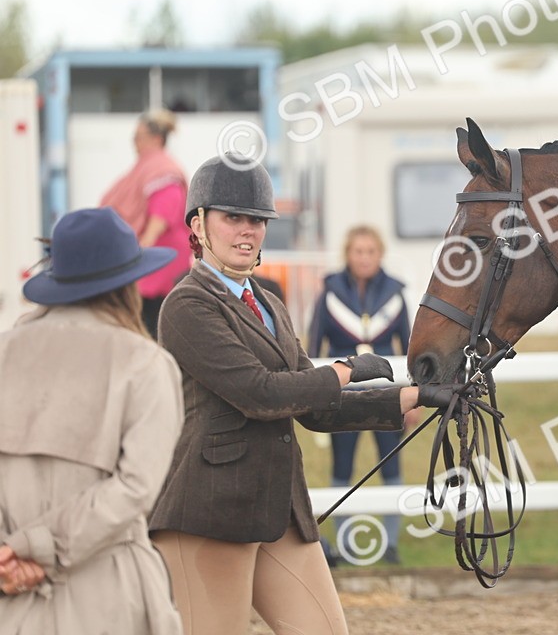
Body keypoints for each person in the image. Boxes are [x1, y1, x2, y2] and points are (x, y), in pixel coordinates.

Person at [147, 154, 427, 635]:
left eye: (256, 220)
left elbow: (312, 409)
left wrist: (413, 397)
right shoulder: (186, 305)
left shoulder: (270, 303)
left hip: (281, 509)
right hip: (211, 512)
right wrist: (344, 369)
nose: (248, 230)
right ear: (198, 223)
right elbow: (259, 394)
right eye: (232, 217)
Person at [0, 207, 185, 635]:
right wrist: (37, 549)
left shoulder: (4, 354)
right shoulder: (145, 363)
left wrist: (11, 554)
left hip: (11, 593)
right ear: (128, 284)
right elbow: (136, 488)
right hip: (109, 587)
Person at [308, 225, 412, 564]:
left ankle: (392, 544)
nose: (364, 257)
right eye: (358, 251)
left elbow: (409, 349)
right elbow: (314, 345)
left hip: (387, 389)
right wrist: (315, 393)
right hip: (344, 391)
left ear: (379, 254)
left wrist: (413, 396)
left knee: (391, 466)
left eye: (370, 251)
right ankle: (346, 544)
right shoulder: (329, 293)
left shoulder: (397, 294)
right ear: (348, 255)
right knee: (342, 467)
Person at [99, 110, 191, 338]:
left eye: (139, 137)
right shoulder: (148, 167)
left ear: (156, 138)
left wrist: (140, 251)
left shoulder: (162, 170)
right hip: (151, 264)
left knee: (150, 328)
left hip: (157, 267)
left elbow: (162, 214)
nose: (135, 143)